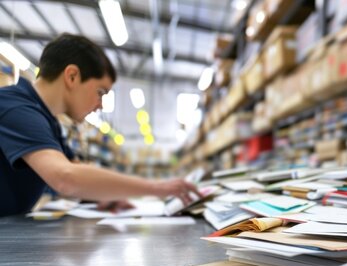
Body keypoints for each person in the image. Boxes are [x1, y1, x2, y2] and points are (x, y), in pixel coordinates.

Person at [0, 33, 199, 217]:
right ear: (72, 76)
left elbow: (75, 170)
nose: (101, 105)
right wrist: (157, 188)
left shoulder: (47, 121)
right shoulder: (16, 108)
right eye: (101, 92)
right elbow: (65, 177)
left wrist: (104, 194)